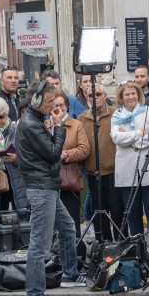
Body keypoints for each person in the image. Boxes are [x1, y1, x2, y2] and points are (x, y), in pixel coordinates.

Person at [17, 81, 87, 296]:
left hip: (47, 186)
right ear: (36, 101)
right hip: (41, 188)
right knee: (40, 245)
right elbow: (54, 153)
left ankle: (70, 275)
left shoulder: (35, 121)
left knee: (68, 228)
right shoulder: (31, 124)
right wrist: (58, 127)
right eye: (48, 103)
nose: (52, 107)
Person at [111, 82, 149, 251]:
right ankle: (139, 253)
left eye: (133, 93)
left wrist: (133, 141)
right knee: (133, 216)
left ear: (138, 95)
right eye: (127, 94)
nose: (131, 97)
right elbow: (117, 138)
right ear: (121, 97)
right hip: (127, 172)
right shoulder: (117, 115)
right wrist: (140, 133)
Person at [51, 90, 90, 262]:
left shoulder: (76, 125)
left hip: (69, 179)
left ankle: (75, 260)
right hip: (49, 180)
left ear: (67, 106)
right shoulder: (45, 125)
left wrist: (66, 154)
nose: (57, 108)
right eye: (54, 105)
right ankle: (55, 258)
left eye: (60, 105)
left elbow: (84, 149)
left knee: (72, 221)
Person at [80, 84, 122, 240]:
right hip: (93, 174)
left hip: (114, 173)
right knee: (99, 215)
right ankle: (104, 248)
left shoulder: (116, 114)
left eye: (98, 94)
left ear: (105, 96)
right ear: (86, 98)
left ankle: (121, 247)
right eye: (90, 95)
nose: (95, 97)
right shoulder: (82, 118)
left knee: (118, 212)